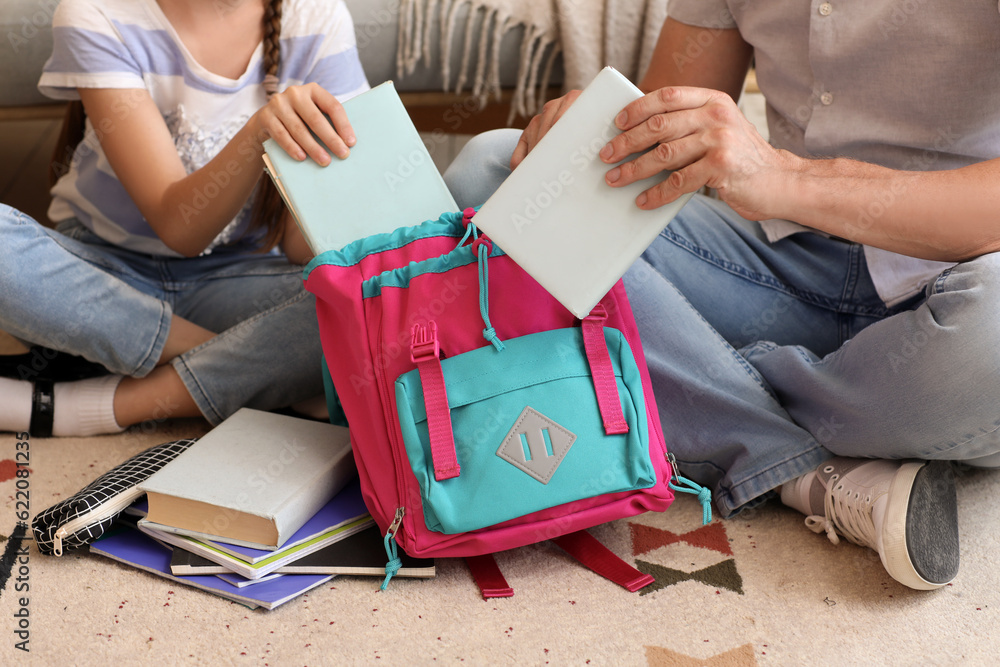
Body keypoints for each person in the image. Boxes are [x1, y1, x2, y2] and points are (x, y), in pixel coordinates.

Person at [442, 2, 1000, 591]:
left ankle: (698, 386)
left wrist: (785, 177)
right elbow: (662, 144)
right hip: (779, 262)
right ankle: (797, 467)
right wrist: (593, 141)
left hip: (963, 276)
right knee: (494, 179)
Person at [0, 0, 368, 437]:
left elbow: (297, 246)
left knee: (368, 297)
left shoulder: (318, 19)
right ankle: (252, 370)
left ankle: (99, 403)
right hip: (102, 273)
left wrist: (346, 196)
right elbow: (181, 229)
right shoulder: (94, 11)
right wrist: (257, 134)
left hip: (238, 279)